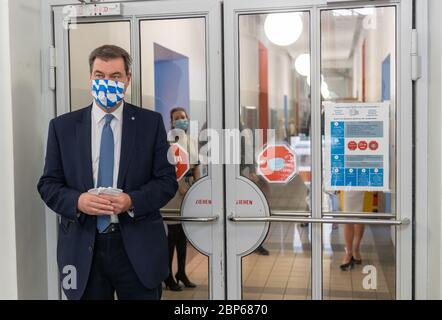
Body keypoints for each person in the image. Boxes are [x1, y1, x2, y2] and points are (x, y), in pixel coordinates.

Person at [37, 45, 178, 300]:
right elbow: (48, 184)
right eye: (99, 75)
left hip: (137, 251)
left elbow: (167, 181)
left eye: (115, 77)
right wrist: (78, 201)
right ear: (90, 78)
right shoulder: (63, 127)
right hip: (83, 250)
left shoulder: (150, 123)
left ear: (128, 80)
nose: (106, 82)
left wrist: (131, 201)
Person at [164, 107, 199, 291]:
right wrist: (179, 185)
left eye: (184, 117)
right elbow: (169, 168)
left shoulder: (191, 141)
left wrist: (198, 186)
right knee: (173, 234)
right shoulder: (169, 141)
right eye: (177, 118)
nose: (181, 120)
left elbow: (196, 166)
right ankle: (168, 276)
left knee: (183, 235)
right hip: (175, 193)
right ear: (171, 121)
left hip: (189, 191)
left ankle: (182, 273)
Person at [339, 191, 373, 270]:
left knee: (361, 218)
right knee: (348, 218)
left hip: (365, 184)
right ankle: (349, 253)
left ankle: (356, 249)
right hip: (348, 185)